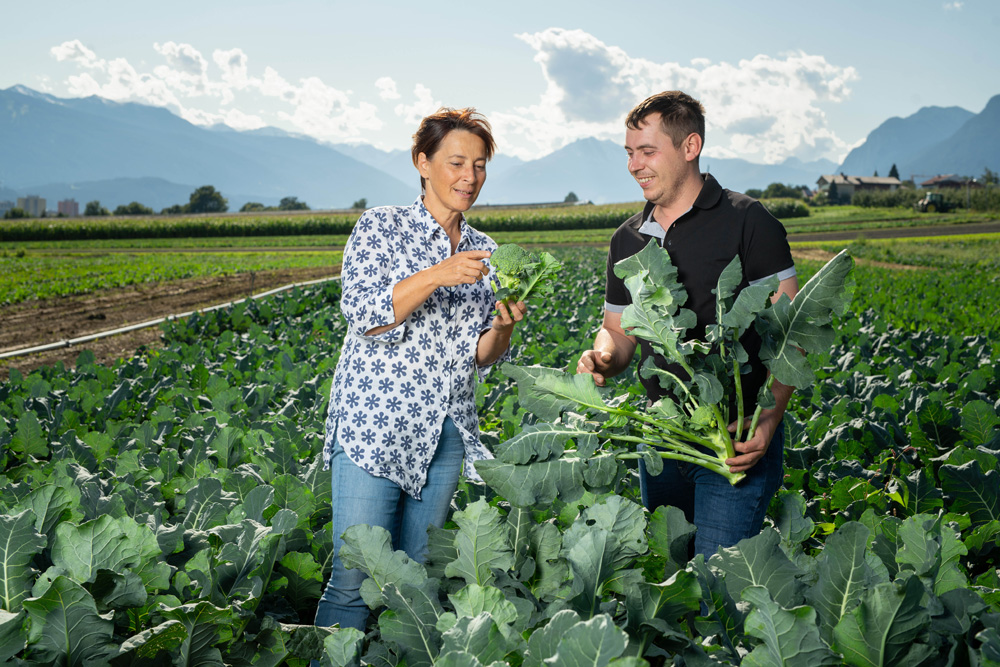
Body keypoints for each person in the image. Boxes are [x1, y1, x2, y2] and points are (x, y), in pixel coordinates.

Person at [315, 108, 526, 631]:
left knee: (412, 583)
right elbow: (367, 316)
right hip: (375, 427)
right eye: (456, 162)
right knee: (354, 580)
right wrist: (439, 273)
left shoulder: (487, 252)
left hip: (445, 433)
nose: (469, 177)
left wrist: (502, 328)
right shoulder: (381, 227)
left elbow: (481, 355)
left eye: (479, 165)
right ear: (422, 163)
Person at [576, 91, 799, 558]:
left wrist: (770, 416)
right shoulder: (627, 239)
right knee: (672, 581)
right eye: (630, 153)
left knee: (719, 590)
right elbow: (617, 331)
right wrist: (602, 356)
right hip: (662, 441)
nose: (635, 165)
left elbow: (790, 332)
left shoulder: (748, 222)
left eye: (648, 151)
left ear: (690, 147)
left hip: (734, 439)